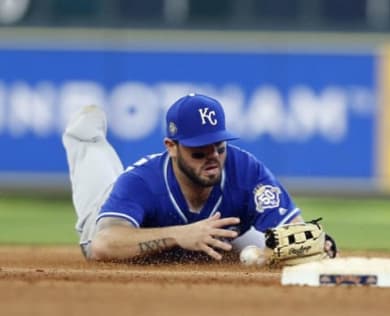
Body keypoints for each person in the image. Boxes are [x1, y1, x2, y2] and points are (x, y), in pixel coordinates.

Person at [63, 93, 332, 263]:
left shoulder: (246, 171)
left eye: (219, 146)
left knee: (256, 245)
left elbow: (296, 231)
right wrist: (180, 235)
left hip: (217, 235)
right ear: (171, 146)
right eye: (199, 151)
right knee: (97, 186)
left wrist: (312, 242)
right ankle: (85, 136)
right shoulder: (142, 181)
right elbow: (104, 244)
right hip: (121, 221)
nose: (212, 156)